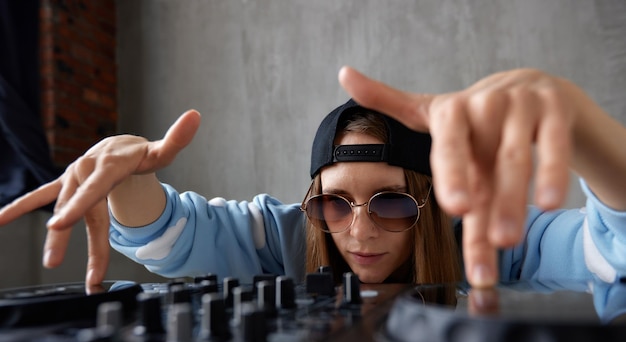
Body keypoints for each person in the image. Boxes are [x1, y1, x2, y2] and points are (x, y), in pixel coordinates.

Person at [0, 67, 624, 291]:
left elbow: (607, 248)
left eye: (391, 204)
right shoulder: (287, 235)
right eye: (334, 204)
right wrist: (124, 176)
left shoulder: (481, 242)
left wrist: (584, 131)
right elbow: (179, 233)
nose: (358, 230)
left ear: (430, 204)